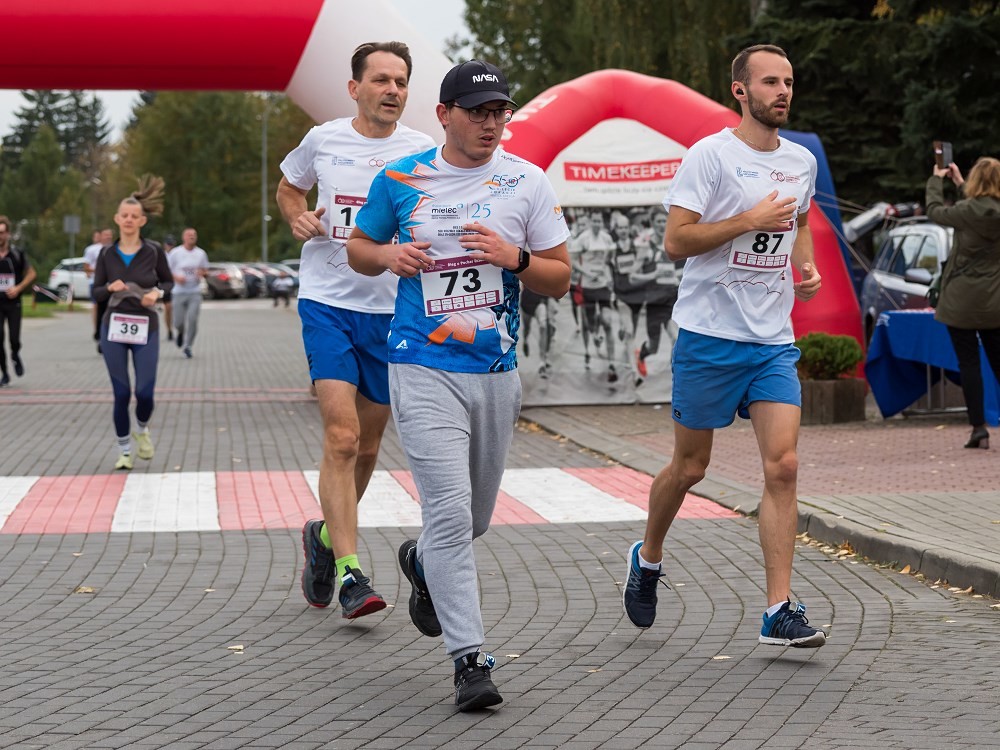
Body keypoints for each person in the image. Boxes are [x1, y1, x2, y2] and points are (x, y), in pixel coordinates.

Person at [346, 59, 571, 711]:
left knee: (471, 520)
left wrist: (515, 258)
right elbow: (359, 249)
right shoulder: (400, 178)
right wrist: (388, 255)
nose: (490, 124)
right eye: (477, 112)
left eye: (499, 112)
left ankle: (422, 562)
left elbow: (560, 277)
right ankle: (469, 659)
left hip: (494, 373)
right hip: (420, 364)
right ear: (444, 115)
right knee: (448, 511)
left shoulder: (526, 181)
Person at [622, 44, 827, 649]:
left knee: (784, 466)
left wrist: (805, 267)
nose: (783, 91)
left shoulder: (800, 160)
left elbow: (800, 221)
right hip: (710, 335)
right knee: (691, 467)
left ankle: (777, 609)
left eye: (788, 82)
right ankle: (648, 556)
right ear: (740, 91)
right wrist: (747, 220)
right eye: (770, 82)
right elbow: (676, 241)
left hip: (772, 341)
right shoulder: (709, 156)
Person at [276, 41, 436, 619]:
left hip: (392, 311)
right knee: (342, 437)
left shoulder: (422, 151)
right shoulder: (323, 139)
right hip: (328, 302)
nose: (393, 90)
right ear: (355, 88)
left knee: (368, 446)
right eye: (382, 80)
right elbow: (289, 187)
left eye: (401, 82)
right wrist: (297, 215)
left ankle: (323, 537)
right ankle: (350, 572)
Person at [92, 177, 173, 470]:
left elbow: (168, 283)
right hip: (113, 327)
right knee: (122, 392)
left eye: (133, 216)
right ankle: (124, 450)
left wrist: (156, 293)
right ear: (117, 219)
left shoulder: (153, 251)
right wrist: (108, 288)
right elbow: (95, 292)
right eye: (124, 215)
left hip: (146, 327)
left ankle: (141, 428)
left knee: (145, 393)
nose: (128, 220)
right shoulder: (106, 253)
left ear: (142, 221)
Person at [926, 157, 1000, 450]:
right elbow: (982, 208)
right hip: (995, 301)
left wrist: (937, 179)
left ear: (975, 180)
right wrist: (959, 184)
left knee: (969, 364)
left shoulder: (966, 211)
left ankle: (979, 428)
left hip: (961, 302)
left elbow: (935, 211)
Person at [572, 211, 617, 380]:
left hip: (603, 285)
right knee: (589, 324)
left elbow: (610, 259)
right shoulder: (583, 239)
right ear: (591, 222)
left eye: (599, 221)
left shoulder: (607, 238)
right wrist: (587, 272)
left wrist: (607, 272)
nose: (597, 224)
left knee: (608, 322)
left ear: (602, 222)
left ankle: (612, 363)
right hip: (588, 287)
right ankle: (591, 344)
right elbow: (573, 260)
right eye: (595, 221)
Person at [0, 216, 37, 386]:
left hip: (13, 303)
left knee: (14, 338)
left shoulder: (17, 254)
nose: (0, 236)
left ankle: (15, 354)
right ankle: (4, 373)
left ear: (8, 234)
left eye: (2, 233)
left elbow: (32, 273)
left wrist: (18, 288)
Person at [167, 227, 209, 359]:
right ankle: (180, 332)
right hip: (178, 292)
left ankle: (188, 346)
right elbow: (166, 270)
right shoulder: (175, 253)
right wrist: (176, 278)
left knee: (192, 319)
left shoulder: (201, 253)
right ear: (183, 237)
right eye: (189, 234)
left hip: (194, 292)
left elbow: (205, 270)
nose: (192, 236)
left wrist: (202, 273)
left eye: (194, 234)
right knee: (178, 322)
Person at [84, 228, 113, 349]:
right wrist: (101, 271)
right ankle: (98, 332)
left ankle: (109, 333)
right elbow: (86, 267)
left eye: (110, 235)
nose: (108, 237)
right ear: (100, 236)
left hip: (112, 284)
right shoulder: (92, 249)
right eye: (105, 235)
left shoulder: (115, 248)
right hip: (97, 283)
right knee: (97, 307)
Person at [162, 234, 177, 341]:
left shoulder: (178, 254)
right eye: (168, 244)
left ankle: (179, 328)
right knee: (168, 308)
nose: (170, 247)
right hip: (167, 284)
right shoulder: (162, 256)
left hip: (178, 284)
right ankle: (169, 330)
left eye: (171, 245)